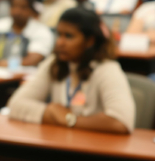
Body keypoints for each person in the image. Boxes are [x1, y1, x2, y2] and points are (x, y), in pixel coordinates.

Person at [7, 7, 136, 134]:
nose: (60, 43)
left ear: (89, 41)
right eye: (59, 35)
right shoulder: (54, 63)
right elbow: (15, 104)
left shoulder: (107, 69)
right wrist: (52, 112)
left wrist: (71, 120)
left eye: (68, 36)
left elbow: (122, 121)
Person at [0, 0, 53, 67]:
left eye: (23, 7)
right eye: (14, 6)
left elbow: (32, 60)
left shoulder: (42, 32)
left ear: (32, 9)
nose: (17, 11)